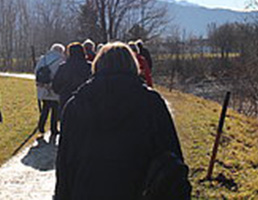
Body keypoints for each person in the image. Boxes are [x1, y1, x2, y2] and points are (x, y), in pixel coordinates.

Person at [55, 42, 188, 200]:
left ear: (97, 65)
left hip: (86, 190)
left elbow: (64, 162)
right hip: (139, 189)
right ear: (133, 65)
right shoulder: (151, 102)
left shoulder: (76, 104)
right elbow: (171, 153)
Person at [34, 43, 65, 137]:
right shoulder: (61, 60)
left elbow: (36, 71)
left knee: (45, 107)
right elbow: (60, 75)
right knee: (55, 109)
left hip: (43, 86)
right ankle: (53, 128)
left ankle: (41, 126)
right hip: (54, 87)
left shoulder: (43, 58)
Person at [52, 42, 92, 112]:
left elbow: (55, 86)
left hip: (66, 99)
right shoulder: (89, 67)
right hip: (86, 100)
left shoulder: (63, 67)